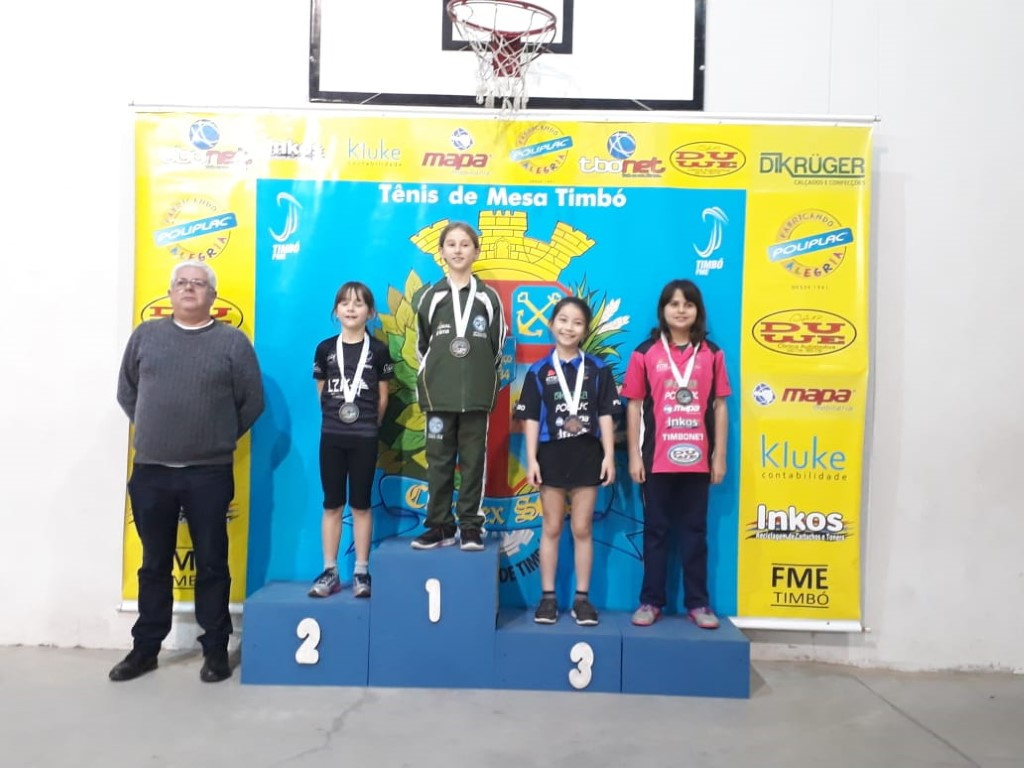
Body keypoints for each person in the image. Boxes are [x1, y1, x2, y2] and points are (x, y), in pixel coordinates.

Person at [112, 260, 264, 682]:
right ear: (170, 292)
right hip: (151, 471)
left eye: (198, 283)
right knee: (153, 564)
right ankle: (145, 650)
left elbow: (252, 401)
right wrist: (156, 430)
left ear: (212, 295)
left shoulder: (232, 343)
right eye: (182, 283)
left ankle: (215, 650)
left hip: (208, 474)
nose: (189, 288)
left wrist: (216, 437)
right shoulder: (146, 336)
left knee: (212, 562)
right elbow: (127, 391)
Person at [621, 279, 730, 630]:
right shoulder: (645, 353)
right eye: (674, 304)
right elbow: (634, 406)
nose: (681, 310)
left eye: (688, 304)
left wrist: (719, 456)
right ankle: (651, 601)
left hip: (698, 460)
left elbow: (720, 407)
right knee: (655, 532)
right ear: (663, 310)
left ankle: (698, 603)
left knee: (695, 533)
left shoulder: (712, 353)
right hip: (656, 459)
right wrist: (635, 456)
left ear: (698, 311)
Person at [514, 297, 620, 626]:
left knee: (582, 528)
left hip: (588, 455)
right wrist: (531, 459)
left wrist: (609, 456)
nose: (568, 327)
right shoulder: (539, 371)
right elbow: (531, 419)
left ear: (585, 330)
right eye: (562, 320)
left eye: (577, 322)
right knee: (551, 527)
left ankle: (582, 599)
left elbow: (606, 415)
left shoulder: (598, 369)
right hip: (551, 456)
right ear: (551, 324)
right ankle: (547, 598)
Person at [411, 221, 506, 551]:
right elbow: (423, 346)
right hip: (439, 396)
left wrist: (474, 374)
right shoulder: (431, 297)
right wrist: (441, 373)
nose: (458, 250)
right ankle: (439, 525)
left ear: (476, 251)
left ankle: (470, 526)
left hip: (476, 397)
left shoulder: (488, 298)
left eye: (465, 244)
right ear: (441, 252)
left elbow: (496, 347)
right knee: (438, 462)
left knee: (473, 462)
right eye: (451, 244)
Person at [308, 282, 394, 598]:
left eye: (359, 303)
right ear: (336, 310)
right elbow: (321, 391)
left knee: (360, 504)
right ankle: (330, 570)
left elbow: (383, 398)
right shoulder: (325, 349)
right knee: (332, 504)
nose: (351, 308)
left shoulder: (378, 351)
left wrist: (368, 425)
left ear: (370, 312)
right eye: (345, 303)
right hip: (332, 437)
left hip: (365, 438)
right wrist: (336, 418)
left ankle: (361, 571)